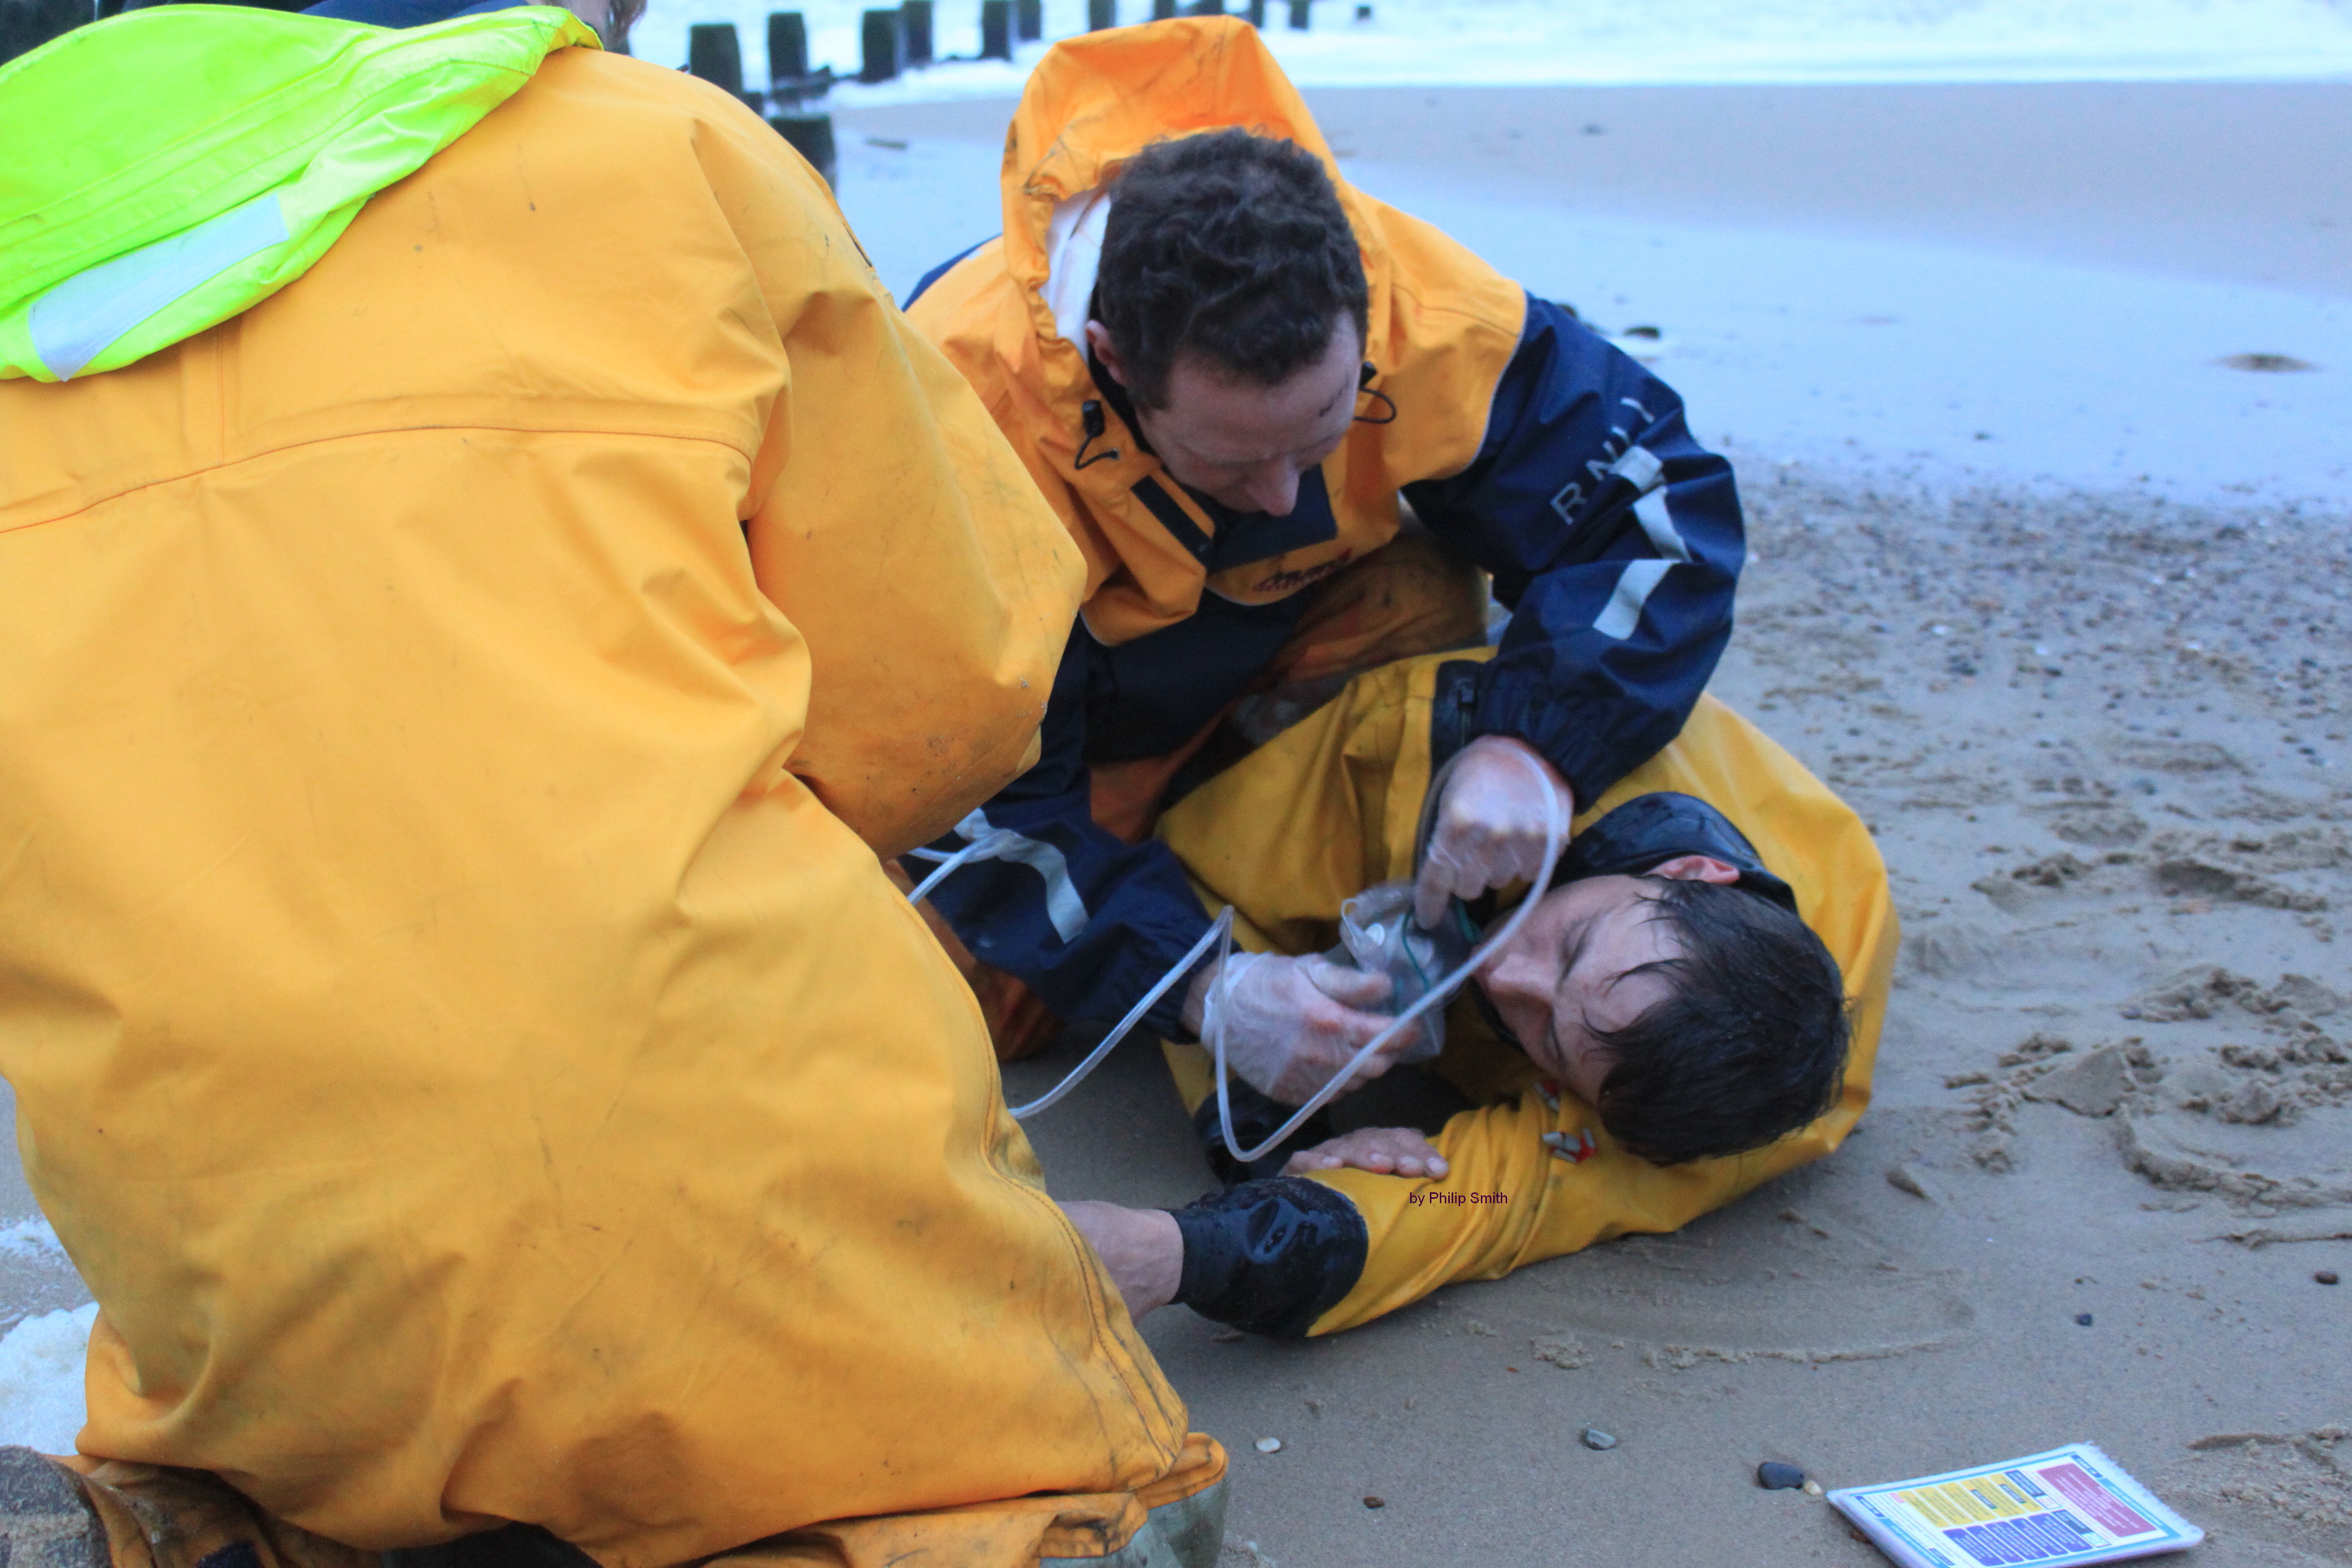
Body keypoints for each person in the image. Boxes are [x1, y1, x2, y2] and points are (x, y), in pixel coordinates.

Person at [0, 6, 1224, 1566]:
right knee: (1070, 1501)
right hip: (707, 1162)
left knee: (301, 1449)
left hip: (222, 1253)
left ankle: (170, 1529)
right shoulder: (664, 151)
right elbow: (950, 701)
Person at [901, 17, 1747, 1094]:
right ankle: (1173, 845)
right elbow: (953, 782)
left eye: (1322, 434)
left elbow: (1657, 499)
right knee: (983, 1005)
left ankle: (1258, 826)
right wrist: (1204, 990)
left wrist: (1540, 745)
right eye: (1229, 458)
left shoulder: (1422, 305)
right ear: (1112, 361)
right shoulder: (958, 417)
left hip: (1300, 619)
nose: (1282, 496)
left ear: (1361, 306)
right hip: (1060, 705)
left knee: (1420, 586)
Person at [1055, 651, 1900, 1338]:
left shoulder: (1689, 1119)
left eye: (1551, 1038)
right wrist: (1232, 1022)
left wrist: (1185, 1247)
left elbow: (1475, 1201)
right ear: (1691, 871)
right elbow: (1201, 868)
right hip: (1404, 741)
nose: (1503, 977)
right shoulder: (1409, 742)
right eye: (1573, 945)